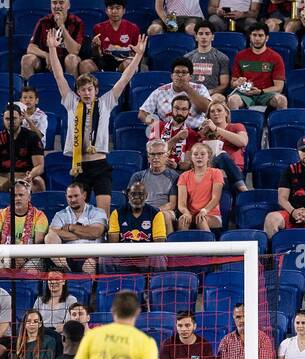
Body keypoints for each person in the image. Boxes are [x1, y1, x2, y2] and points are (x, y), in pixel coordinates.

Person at [50, 29, 146, 216]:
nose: (86, 93)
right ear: (77, 92)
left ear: (96, 91)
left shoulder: (106, 103)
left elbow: (125, 78)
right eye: (83, 90)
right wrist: (53, 49)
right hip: (79, 165)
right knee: (78, 214)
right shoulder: (71, 103)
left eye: (90, 89)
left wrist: (138, 56)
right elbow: (59, 76)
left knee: (103, 214)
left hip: (100, 165)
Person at [46, 181, 108, 274]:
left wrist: (71, 227)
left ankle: (86, 287)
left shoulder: (97, 212)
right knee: (49, 237)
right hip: (66, 258)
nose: (73, 199)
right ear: (66, 197)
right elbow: (53, 232)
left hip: (90, 256)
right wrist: (86, 233)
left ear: (84, 195)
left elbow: (96, 232)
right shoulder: (60, 215)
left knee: (90, 264)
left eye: (76, 196)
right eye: (70, 197)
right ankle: (67, 271)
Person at [226, 23, 288, 111]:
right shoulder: (240, 56)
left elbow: (279, 87)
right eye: (254, 35)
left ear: (267, 38)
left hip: (265, 94)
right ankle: (236, 125)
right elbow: (233, 84)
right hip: (245, 94)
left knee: (282, 100)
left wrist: (261, 91)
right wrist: (237, 83)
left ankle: (281, 124)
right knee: (233, 100)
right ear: (250, 37)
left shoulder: (275, 57)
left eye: (261, 35)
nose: (257, 39)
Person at [0, 104, 45, 194]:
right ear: (3, 120)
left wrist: (31, 175)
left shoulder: (32, 137)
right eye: (7, 119)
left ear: (21, 118)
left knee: (38, 183)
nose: (11, 122)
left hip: (26, 176)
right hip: (4, 177)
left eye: (14, 118)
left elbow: (39, 166)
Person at [0, 180, 49, 270]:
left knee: (31, 270)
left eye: (21, 195)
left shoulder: (39, 216)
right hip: (5, 254)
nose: (17, 198)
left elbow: (38, 245)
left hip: (30, 256)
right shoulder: (0, 215)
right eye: (14, 196)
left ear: (29, 198)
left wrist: (22, 258)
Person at [138, 58, 212, 130]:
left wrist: (188, 89)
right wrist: (159, 126)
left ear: (190, 77)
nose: (180, 75)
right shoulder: (160, 91)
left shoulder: (200, 88)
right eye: (177, 72)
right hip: (169, 132)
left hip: (195, 131)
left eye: (184, 72)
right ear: (172, 76)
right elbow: (142, 114)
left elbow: (207, 109)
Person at [22, 0, 85, 78]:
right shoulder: (43, 21)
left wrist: (62, 26)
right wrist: (47, 55)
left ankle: (70, 89)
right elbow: (31, 48)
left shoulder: (77, 22)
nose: (57, 6)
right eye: (54, 3)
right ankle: (28, 89)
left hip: (66, 59)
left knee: (71, 59)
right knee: (27, 59)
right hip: (47, 62)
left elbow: (74, 51)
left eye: (61, 3)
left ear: (68, 5)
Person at [84, 0, 143, 76]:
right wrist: (95, 47)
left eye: (118, 8)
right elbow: (97, 56)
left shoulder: (133, 28)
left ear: (124, 10)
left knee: (128, 64)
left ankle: (127, 87)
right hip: (104, 63)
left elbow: (137, 54)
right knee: (85, 64)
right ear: (106, 10)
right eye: (111, 8)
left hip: (124, 62)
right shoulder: (98, 28)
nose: (114, 11)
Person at [176, 142, 225, 231]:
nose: (199, 157)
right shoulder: (184, 176)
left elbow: (215, 198)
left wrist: (204, 211)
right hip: (191, 215)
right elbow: (181, 203)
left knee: (201, 220)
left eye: (202, 154)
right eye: (195, 154)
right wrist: (186, 213)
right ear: (191, 158)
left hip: (211, 214)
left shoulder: (216, 173)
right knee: (182, 220)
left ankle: (210, 244)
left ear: (208, 157)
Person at [130, 140, 181, 221]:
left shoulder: (174, 176)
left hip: (164, 211)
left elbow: (172, 204)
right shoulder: (138, 176)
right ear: (148, 157)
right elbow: (132, 200)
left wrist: (154, 211)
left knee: (164, 216)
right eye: (152, 154)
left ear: (166, 155)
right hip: (142, 210)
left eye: (160, 154)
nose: (156, 157)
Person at [184, 21, 231, 96]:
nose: (204, 37)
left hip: (212, 95)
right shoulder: (187, 58)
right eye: (200, 34)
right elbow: (184, 81)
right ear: (196, 37)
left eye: (207, 34)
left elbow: (224, 85)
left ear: (212, 37)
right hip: (191, 95)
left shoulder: (222, 58)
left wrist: (208, 93)